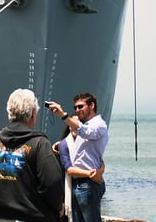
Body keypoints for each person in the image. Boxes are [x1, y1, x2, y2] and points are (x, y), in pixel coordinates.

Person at [0, 88, 64, 222]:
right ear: (33, 114)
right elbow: (52, 182)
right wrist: (58, 206)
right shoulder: (40, 144)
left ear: (10, 113)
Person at [46, 93, 108, 222]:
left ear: (92, 105)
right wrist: (60, 144)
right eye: (75, 107)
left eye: (81, 106)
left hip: (88, 184)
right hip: (80, 183)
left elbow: (84, 132)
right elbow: (82, 145)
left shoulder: (98, 125)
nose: (78, 110)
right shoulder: (86, 126)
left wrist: (63, 115)